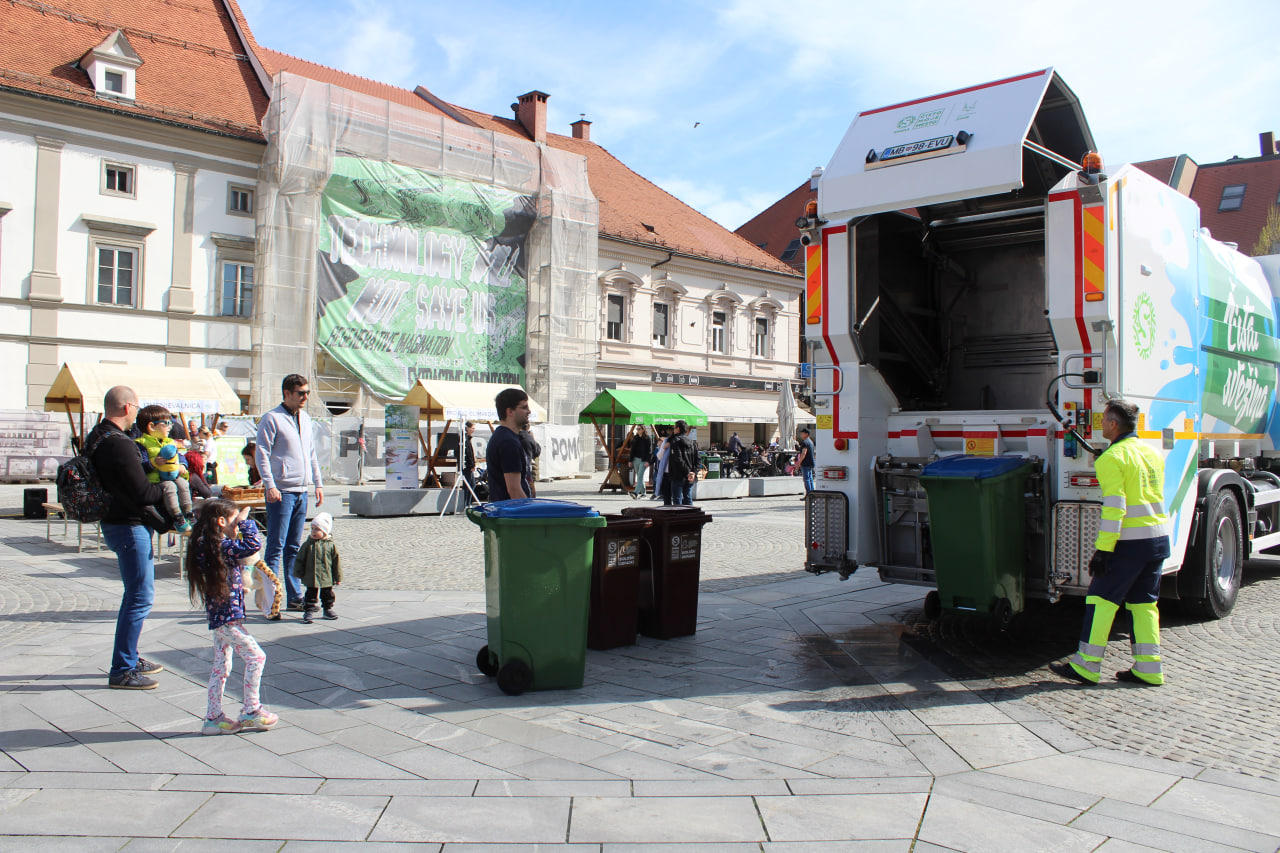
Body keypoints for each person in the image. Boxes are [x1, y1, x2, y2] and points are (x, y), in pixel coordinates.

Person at [1051, 399, 1170, 687]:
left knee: (1100, 601)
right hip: (1158, 540)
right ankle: (1148, 668)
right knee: (1144, 604)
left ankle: (1086, 666)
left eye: (1104, 420)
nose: (1101, 424)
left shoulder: (1111, 459)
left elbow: (1115, 508)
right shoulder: (1152, 453)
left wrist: (1103, 550)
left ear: (1114, 425)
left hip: (1129, 544)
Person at [89, 386, 168, 690]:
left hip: (116, 522)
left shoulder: (98, 435)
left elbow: (121, 476)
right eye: (136, 407)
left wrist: (149, 465)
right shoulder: (120, 444)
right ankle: (122, 669)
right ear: (126, 407)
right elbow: (142, 492)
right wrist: (168, 488)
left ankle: (130, 657)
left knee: (136, 595)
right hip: (129, 526)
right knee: (139, 597)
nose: (137, 412)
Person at [186, 498, 278, 734]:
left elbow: (224, 572)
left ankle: (213, 717)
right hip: (226, 618)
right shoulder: (219, 543)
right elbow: (252, 545)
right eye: (234, 522)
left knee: (221, 666)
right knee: (256, 657)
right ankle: (251, 710)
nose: (237, 526)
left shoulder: (209, 543)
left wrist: (239, 587)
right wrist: (247, 522)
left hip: (223, 616)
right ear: (220, 522)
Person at [255, 374, 324, 612]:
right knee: (275, 545)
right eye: (300, 393)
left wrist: (318, 482)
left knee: (294, 546)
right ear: (287, 393)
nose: (305, 397)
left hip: (301, 490)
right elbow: (261, 453)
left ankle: (295, 596)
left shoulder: (305, 418)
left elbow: (311, 452)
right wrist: (269, 484)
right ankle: (272, 597)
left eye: (307, 393)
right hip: (281, 490)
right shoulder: (271, 418)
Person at [134, 405, 195, 532]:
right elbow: (140, 466)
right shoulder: (141, 443)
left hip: (174, 475)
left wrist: (182, 466)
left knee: (183, 484)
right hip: (156, 480)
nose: (170, 426)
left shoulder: (170, 442)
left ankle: (189, 513)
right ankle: (177, 517)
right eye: (167, 423)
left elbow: (179, 456)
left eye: (171, 423)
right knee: (170, 487)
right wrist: (152, 463)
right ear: (151, 426)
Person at [294, 512, 341, 623]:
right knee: (310, 595)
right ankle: (308, 611)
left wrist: (338, 577)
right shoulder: (308, 545)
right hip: (311, 576)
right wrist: (298, 572)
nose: (313, 532)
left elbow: (336, 562)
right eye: (312, 529)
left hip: (326, 576)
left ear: (324, 531)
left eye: (317, 529)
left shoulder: (330, 545)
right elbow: (300, 559)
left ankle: (327, 609)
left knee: (327, 594)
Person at [487, 388, 533, 501]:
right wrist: (527, 514)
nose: (529, 411)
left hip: (504, 510)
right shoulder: (508, 442)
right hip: (510, 513)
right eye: (524, 407)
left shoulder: (504, 436)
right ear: (510, 412)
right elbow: (514, 489)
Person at [665, 419, 699, 507]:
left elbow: (678, 458)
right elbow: (698, 459)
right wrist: (693, 472)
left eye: (674, 428)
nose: (673, 429)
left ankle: (679, 519)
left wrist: (688, 472)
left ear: (678, 429)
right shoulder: (692, 442)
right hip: (689, 476)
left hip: (677, 475)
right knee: (688, 498)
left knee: (677, 499)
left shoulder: (675, 441)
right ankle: (691, 518)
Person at [629, 426, 652, 499]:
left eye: (639, 429)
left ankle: (636, 493)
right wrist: (630, 460)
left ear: (643, 430)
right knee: (640, 476)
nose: (637, 430)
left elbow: (650, 451)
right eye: (637, 429)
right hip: (636, 459)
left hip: (644, 460)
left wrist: (648, 461)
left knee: (639, 476)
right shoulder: (636, 438)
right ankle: (644, 493)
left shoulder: (647, 438)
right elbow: (632, 450)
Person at [461, 421, 478, 503]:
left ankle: (468, 502)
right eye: (472, 428)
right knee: (469, 484)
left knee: (472, 484)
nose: (473, 430)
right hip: (467, 465)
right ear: (467, 428)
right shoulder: (464, 439)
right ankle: (466, 503)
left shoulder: (468, 438)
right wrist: (471, 465)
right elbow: (468, 453)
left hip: (469, 465)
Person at [796, 427, 816, 493]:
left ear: (806, 434)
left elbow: (803, 453)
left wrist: (799, 463)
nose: (801, 435)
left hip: (805, 463)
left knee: (806, 479)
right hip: (811, 462)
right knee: (810, 479)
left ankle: (808, 494)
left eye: (802, 433)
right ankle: (812, 493)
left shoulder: (805, 442)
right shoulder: (811, 442)